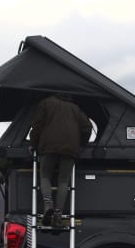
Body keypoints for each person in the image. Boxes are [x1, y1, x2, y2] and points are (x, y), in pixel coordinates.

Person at [29, 94, 92, 227]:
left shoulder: (46, 102)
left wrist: (33, 144)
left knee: (45, 176)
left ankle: (48, 204)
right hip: (70, 149)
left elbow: (37, 125)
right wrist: (81, 144)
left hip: (48, 146)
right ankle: (58, 215)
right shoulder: (76, 108)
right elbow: (87, 127)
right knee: (63, 181)